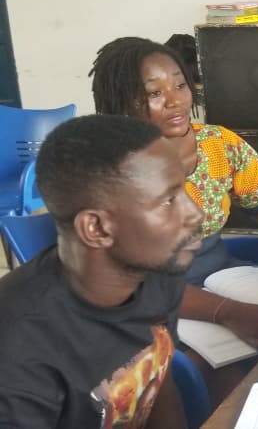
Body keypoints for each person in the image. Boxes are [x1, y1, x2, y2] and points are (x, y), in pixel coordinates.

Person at [90, 36, 258, 405]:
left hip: (220, 271)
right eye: (154, 93)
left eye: (180, 85)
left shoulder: (218, 144)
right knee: (226, 378)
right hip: (150, 299)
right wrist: (227, 312)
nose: (175, 100)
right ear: (120, 105)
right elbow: (132, 284)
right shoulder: (112, 171)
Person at [0, 115, 203, 428]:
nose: (195, 213)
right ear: (96, 228)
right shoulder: (18, 350)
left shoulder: (159, 272)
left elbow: (159, 380)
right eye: (168, 201)